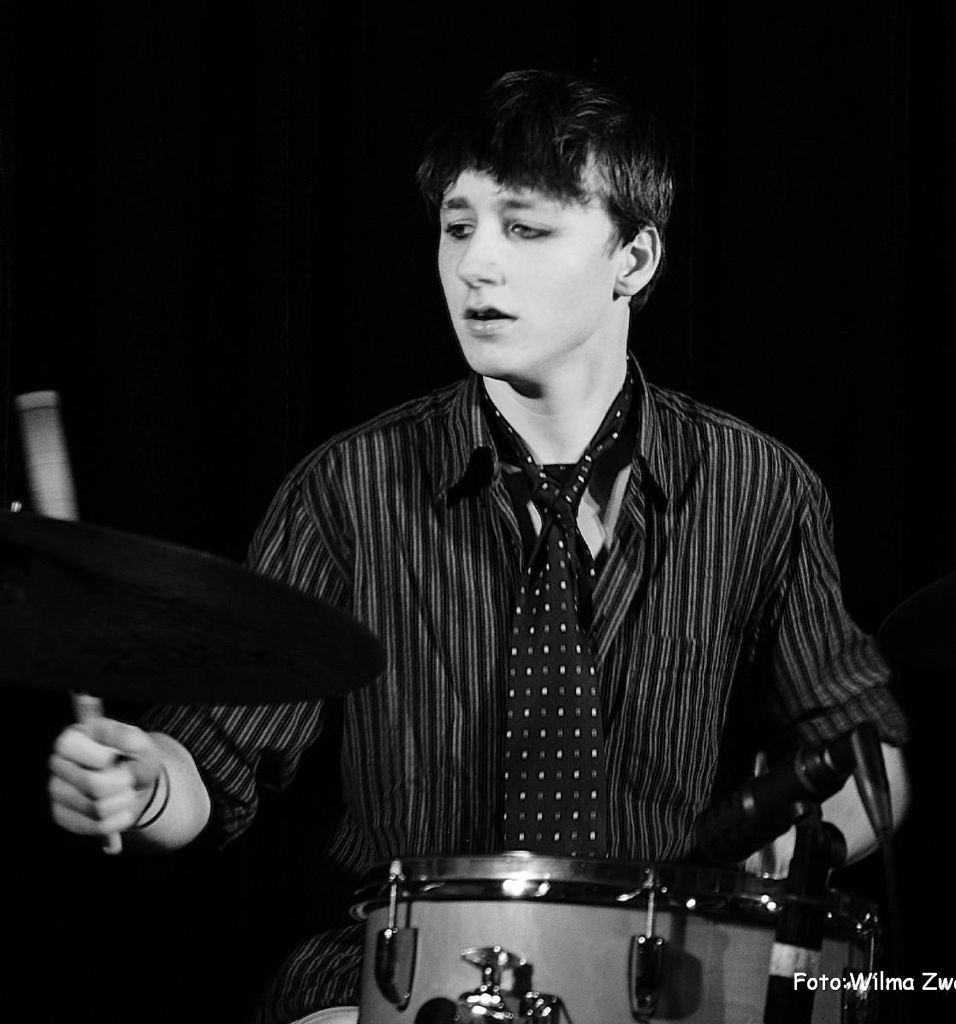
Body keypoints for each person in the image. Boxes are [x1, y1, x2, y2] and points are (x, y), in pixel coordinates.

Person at [48, 69, 910, 1023]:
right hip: (398, 974)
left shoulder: (759, 487)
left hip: (661, 981)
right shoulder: (351, 485)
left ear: (633, 260)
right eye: (459, 227)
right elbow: (213, 764)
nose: (475, 266)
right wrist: (142, 784)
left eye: (525, 229)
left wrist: (802, 841)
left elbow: (869, 755)